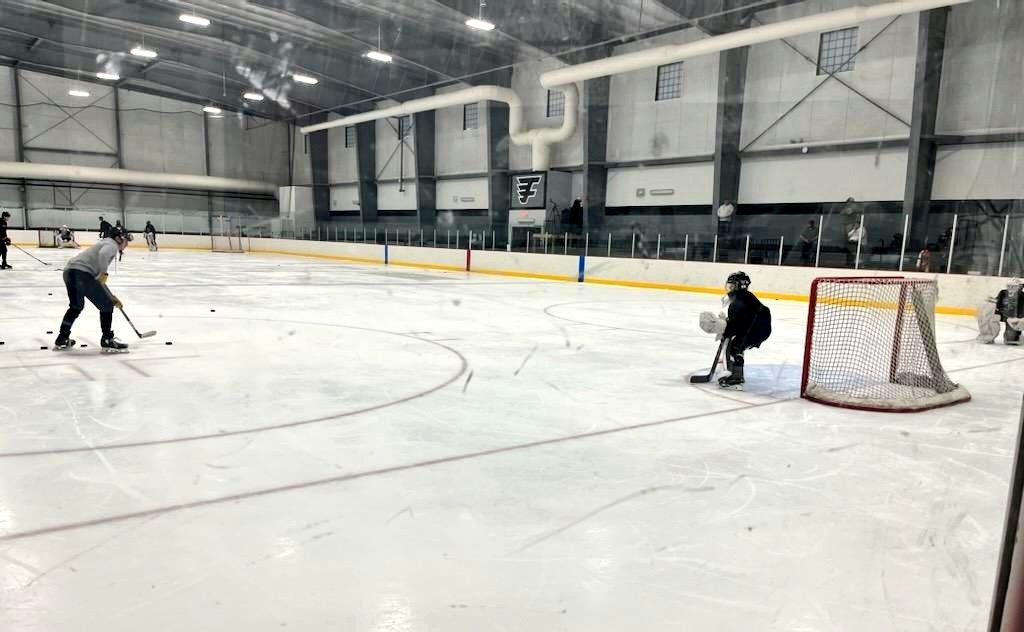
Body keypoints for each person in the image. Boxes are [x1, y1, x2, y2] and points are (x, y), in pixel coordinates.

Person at [53, 225, 131, 353]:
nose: (126, 243)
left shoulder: (105, 242)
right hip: (81, 274)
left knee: (76, 307)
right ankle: (107, 340)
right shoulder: (111, 245)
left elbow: (96, 278)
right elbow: (103, 256)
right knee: (106, 306)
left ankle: (62, 338)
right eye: (125, 239)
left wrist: (111, 296)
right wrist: (104, 273)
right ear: (118, 238)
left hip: (70, 272)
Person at [718, 271, 772, 390]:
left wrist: (726, 330)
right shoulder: (745, 296)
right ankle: (735, 374)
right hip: (758, 327)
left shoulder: (739, 299)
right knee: (737, 345)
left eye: (732, 286)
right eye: (729, 285)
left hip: (756, 328)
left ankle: (736, 379)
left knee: (735, 348)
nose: (729, 288)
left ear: (739, 286)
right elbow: (740, 319)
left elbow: (736, 322)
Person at [978, 279, 1023, 345]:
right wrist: (992, 301)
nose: (1011, 288)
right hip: (1003, 314)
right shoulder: (1003, 293)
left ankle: (1015, 336)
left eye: (1014, 286)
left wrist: (1018, 319)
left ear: (1020, 287)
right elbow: (997, 303)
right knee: (990, 310)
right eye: (1009, 286)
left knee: (1011, 340)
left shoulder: (1022, 297)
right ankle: (988, 335)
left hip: (1015, 317)